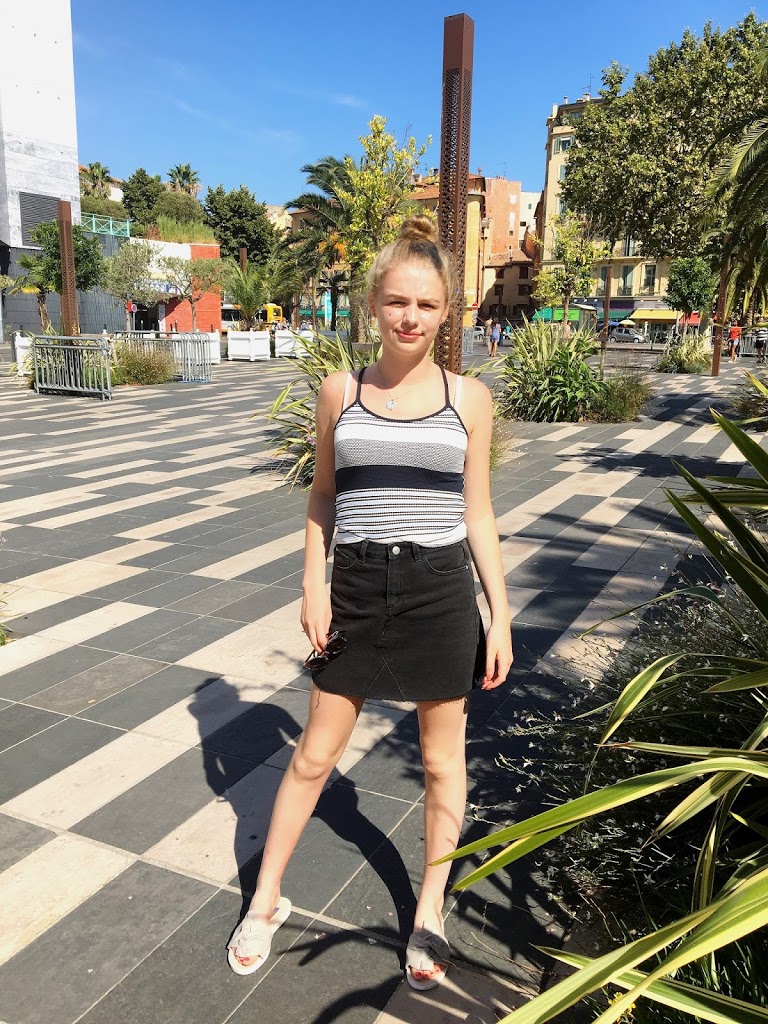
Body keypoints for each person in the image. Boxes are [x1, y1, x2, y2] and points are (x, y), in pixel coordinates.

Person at [227, 215, 514, 989]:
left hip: (439, 593)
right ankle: (265, 898)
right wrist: (311, 582)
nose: (410, 317)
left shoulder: (471, 400)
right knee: (315, 754)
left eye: (425, 304)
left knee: (439, 760)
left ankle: (429, 910)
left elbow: (477, 513)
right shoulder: (338, 391)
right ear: (373, 305)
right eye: (396, 302)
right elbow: (322, 497)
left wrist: (502, 614)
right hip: (354, 588)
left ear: (448, 310)